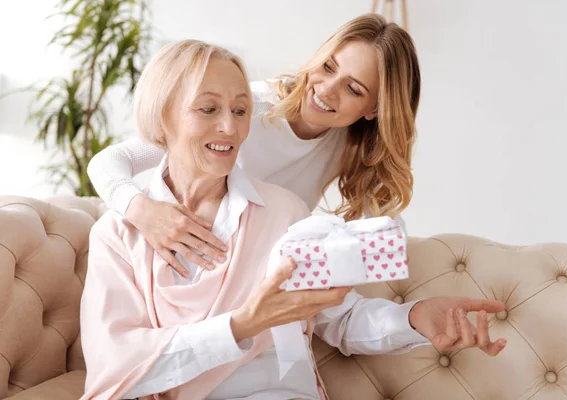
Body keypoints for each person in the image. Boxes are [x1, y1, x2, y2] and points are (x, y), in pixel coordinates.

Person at [80, 39, 506, 400]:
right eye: (208, 109)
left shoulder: (285, 213)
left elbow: (334, 316)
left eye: (240, 111)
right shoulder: (119, 235)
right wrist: (243, 324)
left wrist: (415, 317)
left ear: (372, 108)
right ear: (165, 114)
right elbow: (117, 363)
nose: (229, 127)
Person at [86, 13, 422, 276]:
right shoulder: (245, 108)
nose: (326, 89)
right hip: (185, 254)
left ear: (376, 109)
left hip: (250, 273)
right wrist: (142, 212)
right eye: (328, 67)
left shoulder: (350, 147)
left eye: (354, 89)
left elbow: (387, 244)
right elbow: (109, 160)